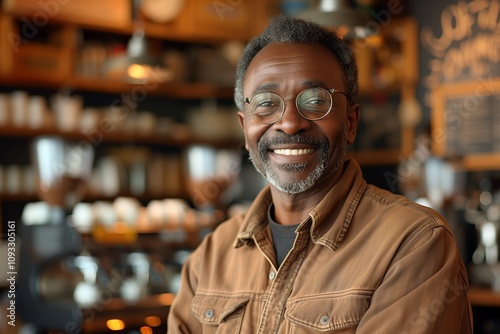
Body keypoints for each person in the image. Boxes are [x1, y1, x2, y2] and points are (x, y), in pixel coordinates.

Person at [167, 14, 473, 333]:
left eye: (315, 101)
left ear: (351, 123)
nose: (289, 122)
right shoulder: (211, 255)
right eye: (266, 103)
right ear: (246, 129)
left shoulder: (413, 242)